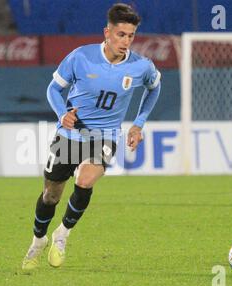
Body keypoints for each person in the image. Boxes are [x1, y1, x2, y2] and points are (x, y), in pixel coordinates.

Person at [22, 3, 161, 270]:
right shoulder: (81, 57)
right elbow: (53, 89)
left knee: (85, 180)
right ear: (107, 32)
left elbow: (154, 88)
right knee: (51, 194)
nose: (126, 41)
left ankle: (62, 234)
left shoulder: (141, 66)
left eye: (131, 35)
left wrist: (138, 124)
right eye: (121, 34)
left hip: (105, 136)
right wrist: (63, 113)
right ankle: (38, 241)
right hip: (70, 134)